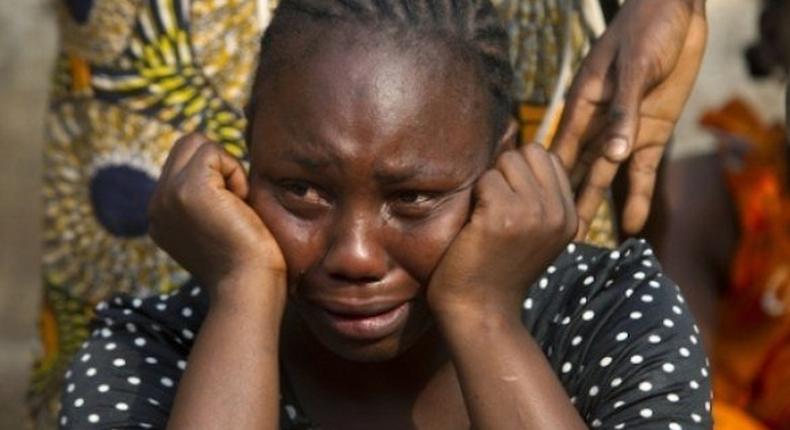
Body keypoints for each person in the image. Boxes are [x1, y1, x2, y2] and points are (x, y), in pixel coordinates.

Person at [56, 1, 712, 428]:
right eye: (301, 190)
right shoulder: (151, 349)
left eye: (414, 198)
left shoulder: (605, 316)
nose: (356, 255)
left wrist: (482, 312)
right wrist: (243, 291)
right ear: (243, 164)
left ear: (504, 169)